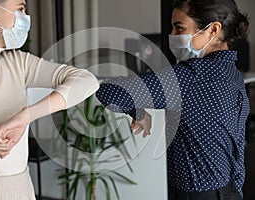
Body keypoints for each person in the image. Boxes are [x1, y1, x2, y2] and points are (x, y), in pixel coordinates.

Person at [96, 0, 250, 199]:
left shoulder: (190, 77)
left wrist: (139, 112)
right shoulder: (231, 72)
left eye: (179, 28)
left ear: (213, 29)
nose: (172, 36)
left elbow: (109, 91)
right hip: (230, 190)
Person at [0, 0, 99, 199]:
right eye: (20, 8)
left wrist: (27, 116)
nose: (26, 16)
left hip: (23, 190)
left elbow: (87, 81)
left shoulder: (19, 63)